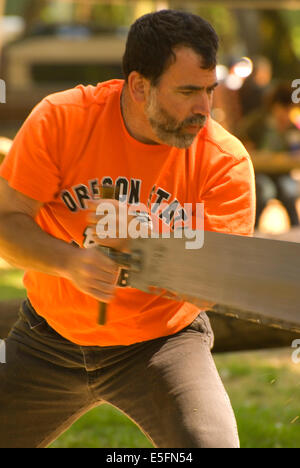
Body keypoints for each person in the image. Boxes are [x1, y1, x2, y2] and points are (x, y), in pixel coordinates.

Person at [0, 10, 255, 448]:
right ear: (139, 86)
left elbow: (216, 286)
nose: (204, 110)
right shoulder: (61, 121)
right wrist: (71, 262)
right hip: (49, 336)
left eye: (209, 91)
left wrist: (148, 241)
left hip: (162, 342)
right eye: (188, 91)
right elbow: (6, 224)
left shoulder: (225, 161)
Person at [237, 82, 300, 228]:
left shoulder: (292, 127)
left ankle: (295, 230)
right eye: (284, 109)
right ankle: (254, 228)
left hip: (281, 173)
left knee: (289, 190)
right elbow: (242, 147)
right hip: (259, 172)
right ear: (275, 106)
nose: (286, 114)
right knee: (264, 190)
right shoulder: (257, 122)